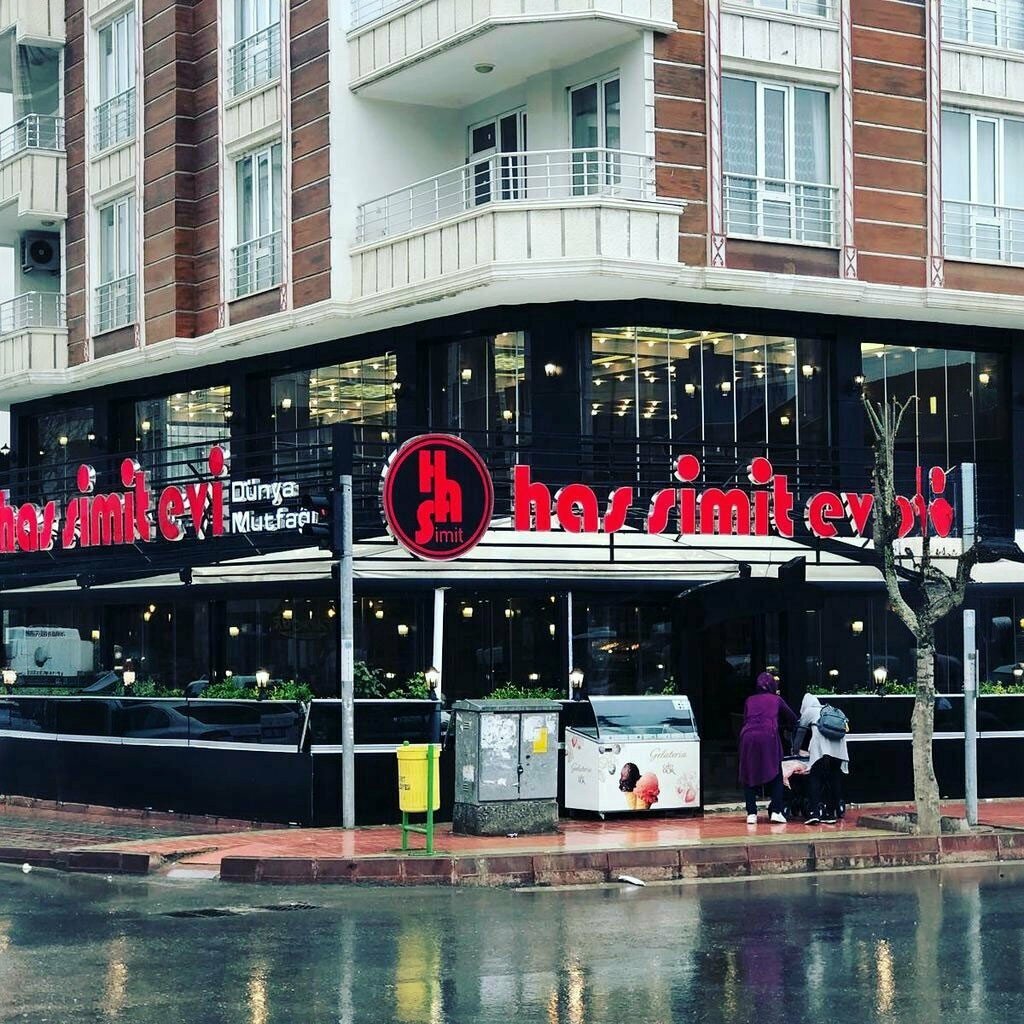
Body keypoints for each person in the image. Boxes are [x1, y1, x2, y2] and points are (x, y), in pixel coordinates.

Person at [739, 672, 797, 824]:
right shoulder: (776, 699)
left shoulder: (749, 700)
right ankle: (776, 811)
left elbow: (745, 718)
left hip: (748, 737)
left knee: (749, 773)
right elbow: (792, 718)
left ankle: (751, 813)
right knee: (776, 772)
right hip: (768, 736)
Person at [793, 693, 850, 825]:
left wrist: (795, 751)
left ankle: (814, 813)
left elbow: (800, 734)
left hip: (821, 749)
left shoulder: (809, 711)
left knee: (815, 777)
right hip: (840, 748)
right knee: (834, 778)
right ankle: (831, 813)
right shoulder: (829, 709)